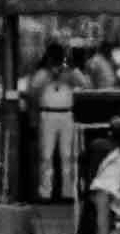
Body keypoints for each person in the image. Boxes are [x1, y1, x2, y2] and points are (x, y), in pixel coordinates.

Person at [27, 43, 90, 202]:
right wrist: (50, 75)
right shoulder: (42, 73)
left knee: (67, 155)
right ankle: (46, 192)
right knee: (46, 155)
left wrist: (69, 70)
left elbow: (85, 84)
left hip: (66, 115)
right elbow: (32, 91)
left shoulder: (69, 73)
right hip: (47, 114)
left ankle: (68, 192)